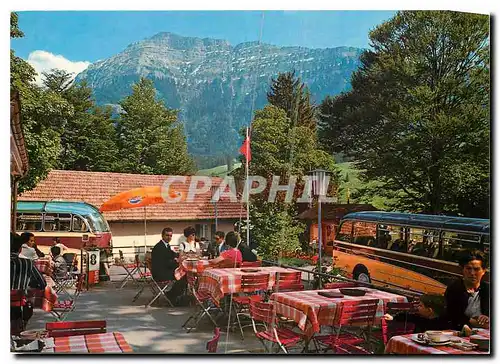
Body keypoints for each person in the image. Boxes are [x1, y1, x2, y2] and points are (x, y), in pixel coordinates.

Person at [10, 233, 47, 334]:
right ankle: (21, 328)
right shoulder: (27, 263)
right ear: (20, 249)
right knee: (28, 304)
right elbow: (42, 283)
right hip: (17, 305)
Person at [444, 250, 489, 330]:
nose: (472, 273)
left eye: (476, 269)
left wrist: (486, 317)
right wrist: (473, 322)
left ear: (483, 271)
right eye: (468, 269)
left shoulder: (488, 289)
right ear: (462, 270)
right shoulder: (455, 289)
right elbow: (452, 316)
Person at [383, 294, 448, 333]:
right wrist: (393, 317)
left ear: (429, 310)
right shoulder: (420, 318)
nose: (417, 307)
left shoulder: (442, 323)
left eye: (420, 305)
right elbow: (407, 316)